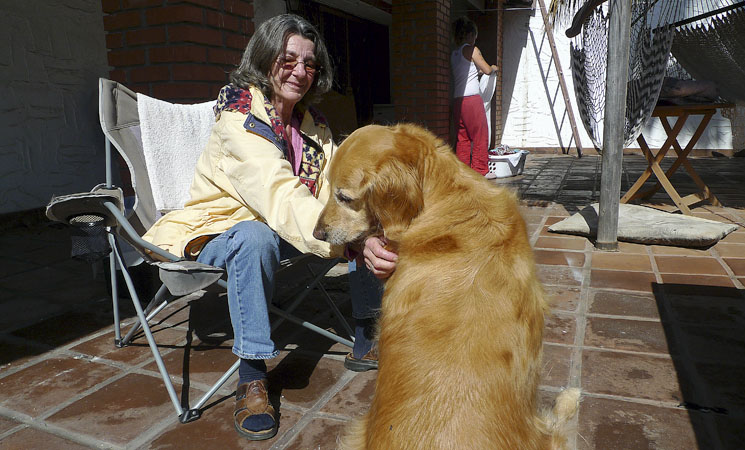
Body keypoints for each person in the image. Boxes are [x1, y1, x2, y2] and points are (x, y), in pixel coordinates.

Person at [142, 14, 397, 441]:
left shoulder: (314, 126)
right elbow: (280, 195)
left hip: (285, 230)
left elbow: (334, 193)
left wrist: (370, 224)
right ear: (263, 59)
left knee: (363, 214)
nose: (301, 71)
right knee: (256, 235)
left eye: (309, 63)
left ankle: (365, 335)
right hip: (220, 232)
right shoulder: (239, 118)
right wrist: (351, 241)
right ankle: (253, 374)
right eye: (288, 59)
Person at [451, 16, 498, 179]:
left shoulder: (455, 54)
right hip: (471, 99)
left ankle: (463, 172)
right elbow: (486, 69)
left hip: (458, 101)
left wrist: (477, 71)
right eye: (475, 36)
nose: (475, 39)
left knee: (462, 137)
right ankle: (480, 169)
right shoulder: (472, 49)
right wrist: (492, 68)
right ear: (470, 35)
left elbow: (467, 72)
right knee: (480, 133)